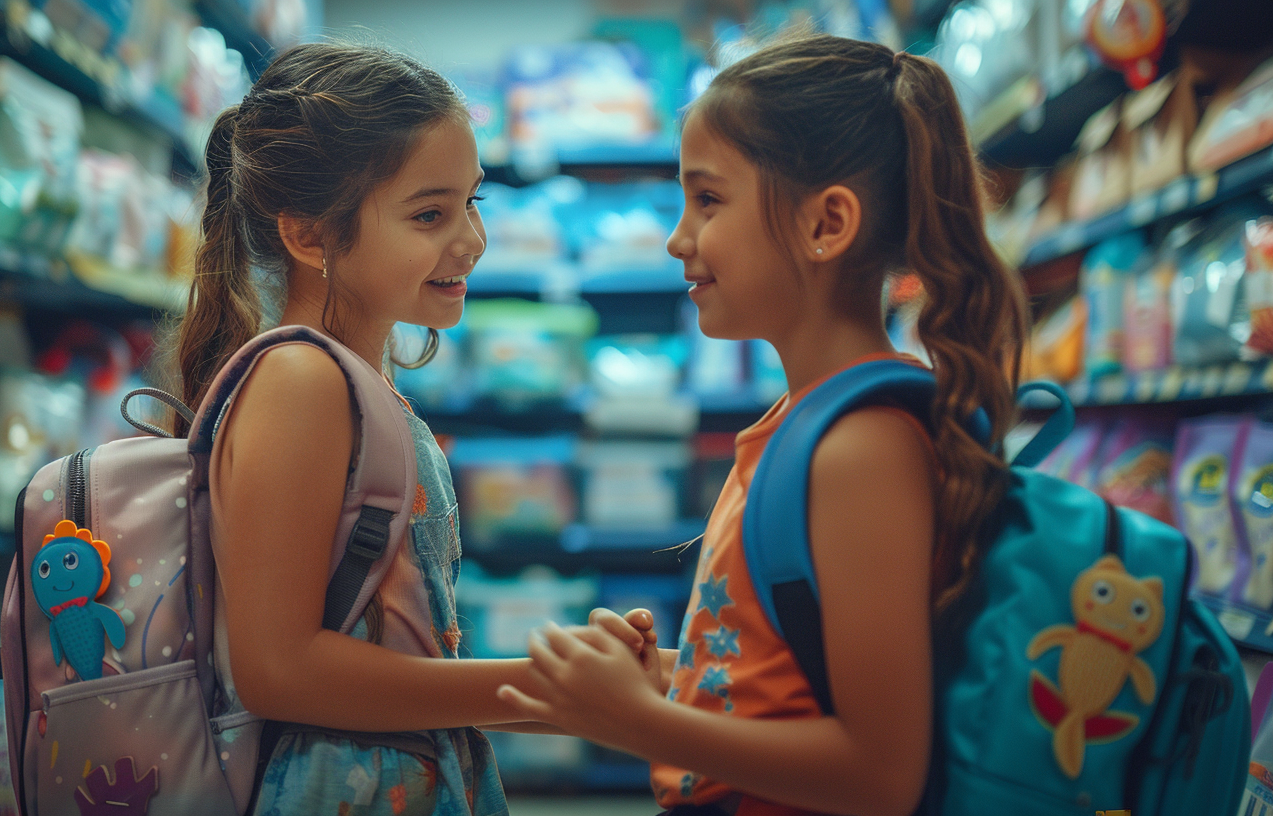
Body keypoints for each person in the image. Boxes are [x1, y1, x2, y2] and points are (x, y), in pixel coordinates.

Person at [497, 33, 1028, 816]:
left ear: (828, 223)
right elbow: (790, 681)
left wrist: (641, 719)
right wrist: (669, 677)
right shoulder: (803, 423)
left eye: (707, 200)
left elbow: (881, 773)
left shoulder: (862, 448)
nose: (678, 238)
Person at [172, 42, 545, 816]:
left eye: (474, 202)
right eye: (430, 213)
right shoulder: (301, 382)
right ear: (309, 238)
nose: (472, 240)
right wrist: (549, 692)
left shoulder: (357, 380)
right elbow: (275, 668)